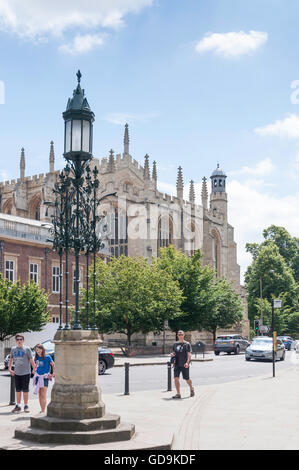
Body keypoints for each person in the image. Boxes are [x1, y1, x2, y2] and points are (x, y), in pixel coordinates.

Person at [8, 334, 36, 413]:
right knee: (18, 390)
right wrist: (10, 368)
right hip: (17, 373)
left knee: (25, 390)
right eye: (18, 339)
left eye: (21, 339)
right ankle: (18, 405)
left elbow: (31, 360)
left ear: (23, 340)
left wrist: (34, 369)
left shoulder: (27, 349)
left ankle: (26, 405)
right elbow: (11, 359)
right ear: (16, 341)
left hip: (26, 373)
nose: (19, 341)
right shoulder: (13, 349)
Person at [170, 330, 194, 399]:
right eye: (179, 335)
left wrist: (187, 362)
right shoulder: (175, 344)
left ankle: (191, 388)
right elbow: (174, 352)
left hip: (184, 364)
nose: (180, 336)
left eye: (181, 334)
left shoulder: (187, 344)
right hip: (177, 364)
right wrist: (172, 354)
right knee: (176, 378)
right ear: (177, 336)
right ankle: (178, 394)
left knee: (187, 379)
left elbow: (189, 355)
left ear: (184, 335)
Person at [33, 344, 55, 413]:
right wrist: (34, 370)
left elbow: (53, 365)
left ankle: (43, 410)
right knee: (39, 394)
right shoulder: (37, 358)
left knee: (43, 394)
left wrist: (53, 373)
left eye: (39, 349)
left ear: (42, 349)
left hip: (45, 377)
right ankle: (42, 409)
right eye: (36, 350)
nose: (38, 351)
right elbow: (36, 366)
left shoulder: (47, 357)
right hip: (38, 377)